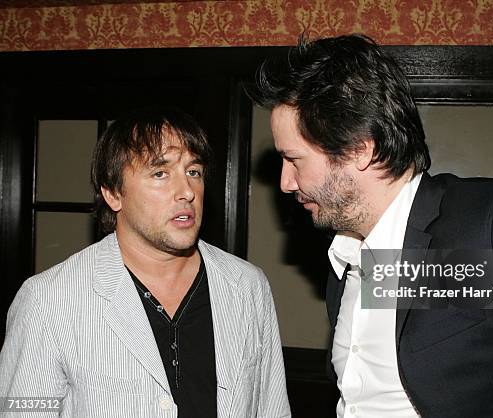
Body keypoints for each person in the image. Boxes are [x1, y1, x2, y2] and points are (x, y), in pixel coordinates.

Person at [252, 34, 493, 417]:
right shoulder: (345, 259)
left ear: (360, 149)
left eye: (294, 159)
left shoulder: (492, 231)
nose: (286, 182)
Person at [0, 108, 290, 418]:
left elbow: (272, 409)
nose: (186, 192)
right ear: (113, 194)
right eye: (160, 173)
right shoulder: (48, 300)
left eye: (193, 171)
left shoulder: (247, 286)